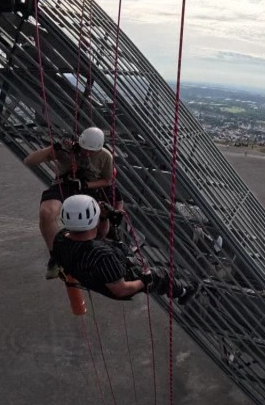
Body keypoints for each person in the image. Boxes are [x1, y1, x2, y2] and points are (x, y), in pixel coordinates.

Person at [50, 195, 196, 303]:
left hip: (94, 272)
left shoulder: (61, 238)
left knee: (122, 245)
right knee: (160, 275)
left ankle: (173, 280)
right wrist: (144, 281)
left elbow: (97, 235)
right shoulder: (102, 255)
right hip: (119, 280)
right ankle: (184, 292)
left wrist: (104, 218)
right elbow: (121, 290)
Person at [24, 127, 116, 273]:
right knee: (47, 213)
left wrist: (86, 184)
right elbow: (29, 161)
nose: (87, 153)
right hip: (65, 183)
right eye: (85, 149)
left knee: (98, 222)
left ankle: (92, 251)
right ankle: (56, 257)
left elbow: (107, 180)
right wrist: (53, 148)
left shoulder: (105, 156)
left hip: (88, 188)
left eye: (92, 152)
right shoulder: (66, 150)